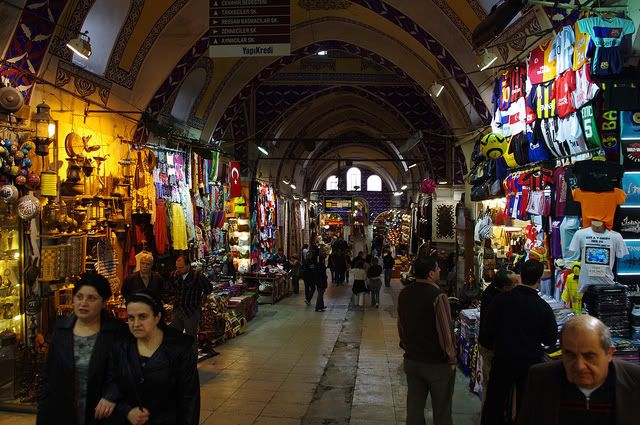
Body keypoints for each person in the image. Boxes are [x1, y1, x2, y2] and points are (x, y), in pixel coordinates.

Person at [37, 272, 128, 425]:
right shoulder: (62, 330)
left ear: (104, 302)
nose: (83, 303)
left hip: (102, 414)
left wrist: (112, 395)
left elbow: (127, 372)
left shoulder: (117, 333)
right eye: (79, 297)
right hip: (63, 413)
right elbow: (50, 376)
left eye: (91, 298)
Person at [519, 315, 640, 425]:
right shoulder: (540, 379)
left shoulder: (635, 380)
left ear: (609, 353)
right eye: (571, 355)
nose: (579, 366)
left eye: (589, 356)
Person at [481, 260, 558, 425]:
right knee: (527, 404)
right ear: (539, 280)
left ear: (520, 276)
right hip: (530, 363)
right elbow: (550, 339)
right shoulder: (543, 307)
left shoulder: (501, 300)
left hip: (503, 359)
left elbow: (488, 330)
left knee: (495, 401)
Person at [110, 291, 200, 425]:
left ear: (157, 317)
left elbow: (189, 399)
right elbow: (112, 386)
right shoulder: (121, 347)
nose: (136, 324)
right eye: (131, 318)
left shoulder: (179, 348)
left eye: (142, 317)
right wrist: (126, 411)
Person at [397, 256, 456, 425]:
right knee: (442, 411)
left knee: (414, 409)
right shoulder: (438, 296)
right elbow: (445, 331)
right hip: (436, 363)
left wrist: (408, 347)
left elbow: (401, 326)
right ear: (431, 273)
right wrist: (451, 357)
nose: (439, 271)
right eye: (437, 269)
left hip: (412, 360)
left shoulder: (405, 293)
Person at [477, 269, 519, 407]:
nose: (517, 285)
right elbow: (493, 328)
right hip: (490, 347)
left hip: (495, 346)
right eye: (514, 283)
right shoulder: (493, 298)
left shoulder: (499, 292)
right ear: (504, 287)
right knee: (490, 384)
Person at [170, 255, 213, 339]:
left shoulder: (197, 275)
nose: (178, 270)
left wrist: (202, 298)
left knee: (190, 338)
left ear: (188, 266)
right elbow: (172, 289)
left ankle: (191, 352)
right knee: (175, 337)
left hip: (191, 311)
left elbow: (208, 288)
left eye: (181, 267)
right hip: (178, 310)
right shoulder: (174, 275)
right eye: (177, 267)